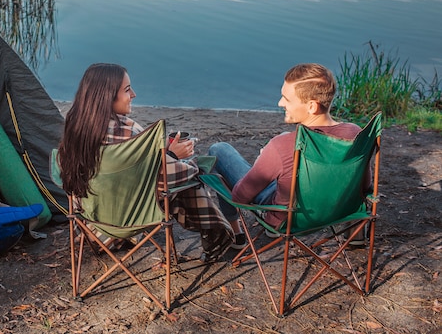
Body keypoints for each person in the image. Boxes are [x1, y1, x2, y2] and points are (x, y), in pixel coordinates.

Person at [57, 63, 239, 262]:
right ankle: (216, 234)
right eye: (127, 89)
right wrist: (177, 158)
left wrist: (165, 154)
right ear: (108, 95)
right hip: (135, 220)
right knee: (190, 178)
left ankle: (216, 233)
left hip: (93, 227)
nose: (133, 94)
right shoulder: (130, 132)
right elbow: (166, 176)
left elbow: (121, 170)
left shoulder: (75, 127)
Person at [209, 63, 368, 243]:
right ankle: (356, 234)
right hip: (340, 211)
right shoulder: (355, 134)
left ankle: (236, 235)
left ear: (311, 107)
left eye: (286, 98)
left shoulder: (282, 146)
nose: (280, 103)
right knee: (285, 151)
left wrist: (263, 165)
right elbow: (364, 186)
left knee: (218, 150)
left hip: (289, 218)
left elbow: (240, 197)